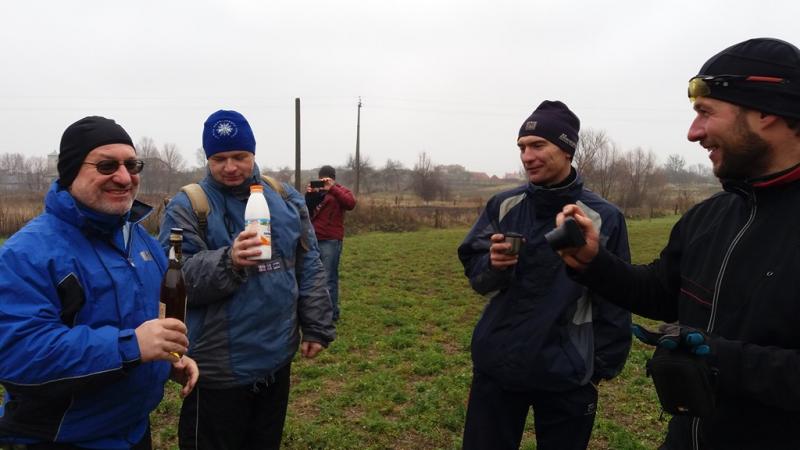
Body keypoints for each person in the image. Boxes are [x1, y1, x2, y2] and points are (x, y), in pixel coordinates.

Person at [556, 38, 800, 449]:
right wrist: (593, 261)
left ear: (767, 112)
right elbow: (661, 291)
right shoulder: (710, 216)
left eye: (706, 112)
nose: (693, 132)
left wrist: (722, 361)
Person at [0, 116, 198, 449]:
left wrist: (167, 361)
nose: (124, 177)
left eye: (132, 165)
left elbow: (146, 325)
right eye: (106, 166)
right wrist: (132, 346)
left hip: (134, 430)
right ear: (70, 173)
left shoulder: (141, 241)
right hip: (62, 438)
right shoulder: (26, 254)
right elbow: (17, 354)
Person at [457, 101, 632, 450]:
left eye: (538, 145)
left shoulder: (603, 217)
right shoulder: (503, 205)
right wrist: (492, 265)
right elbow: (476, 273)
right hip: (498, 363)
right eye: (522, 147)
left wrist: (598, 367)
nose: (527, 156)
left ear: (567, 149)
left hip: (567, 371)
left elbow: (616, 295)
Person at [159, 109, 335, 450]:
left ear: (253, 153)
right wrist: (229, 261)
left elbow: (308, 262)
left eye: (239, 156)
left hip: (276, 359)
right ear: (207, 159)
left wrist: (316, 325)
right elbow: (175, 280)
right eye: (219, 159)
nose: (230, 167)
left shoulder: (284, 197)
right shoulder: (189, 206)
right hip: (218, 371)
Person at [304, 165, 356, 322]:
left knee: (328, 278)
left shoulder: (340, 190)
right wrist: (310, 194)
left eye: (326, 179)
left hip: (331, 240)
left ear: (333, 178)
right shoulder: (317, 191)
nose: (323, 181)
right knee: (313, 278)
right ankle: (317, 312)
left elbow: (350, 203)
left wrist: (332, 188)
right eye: (321, 179)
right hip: (313, 239)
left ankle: (331, 313)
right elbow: (306, 210)